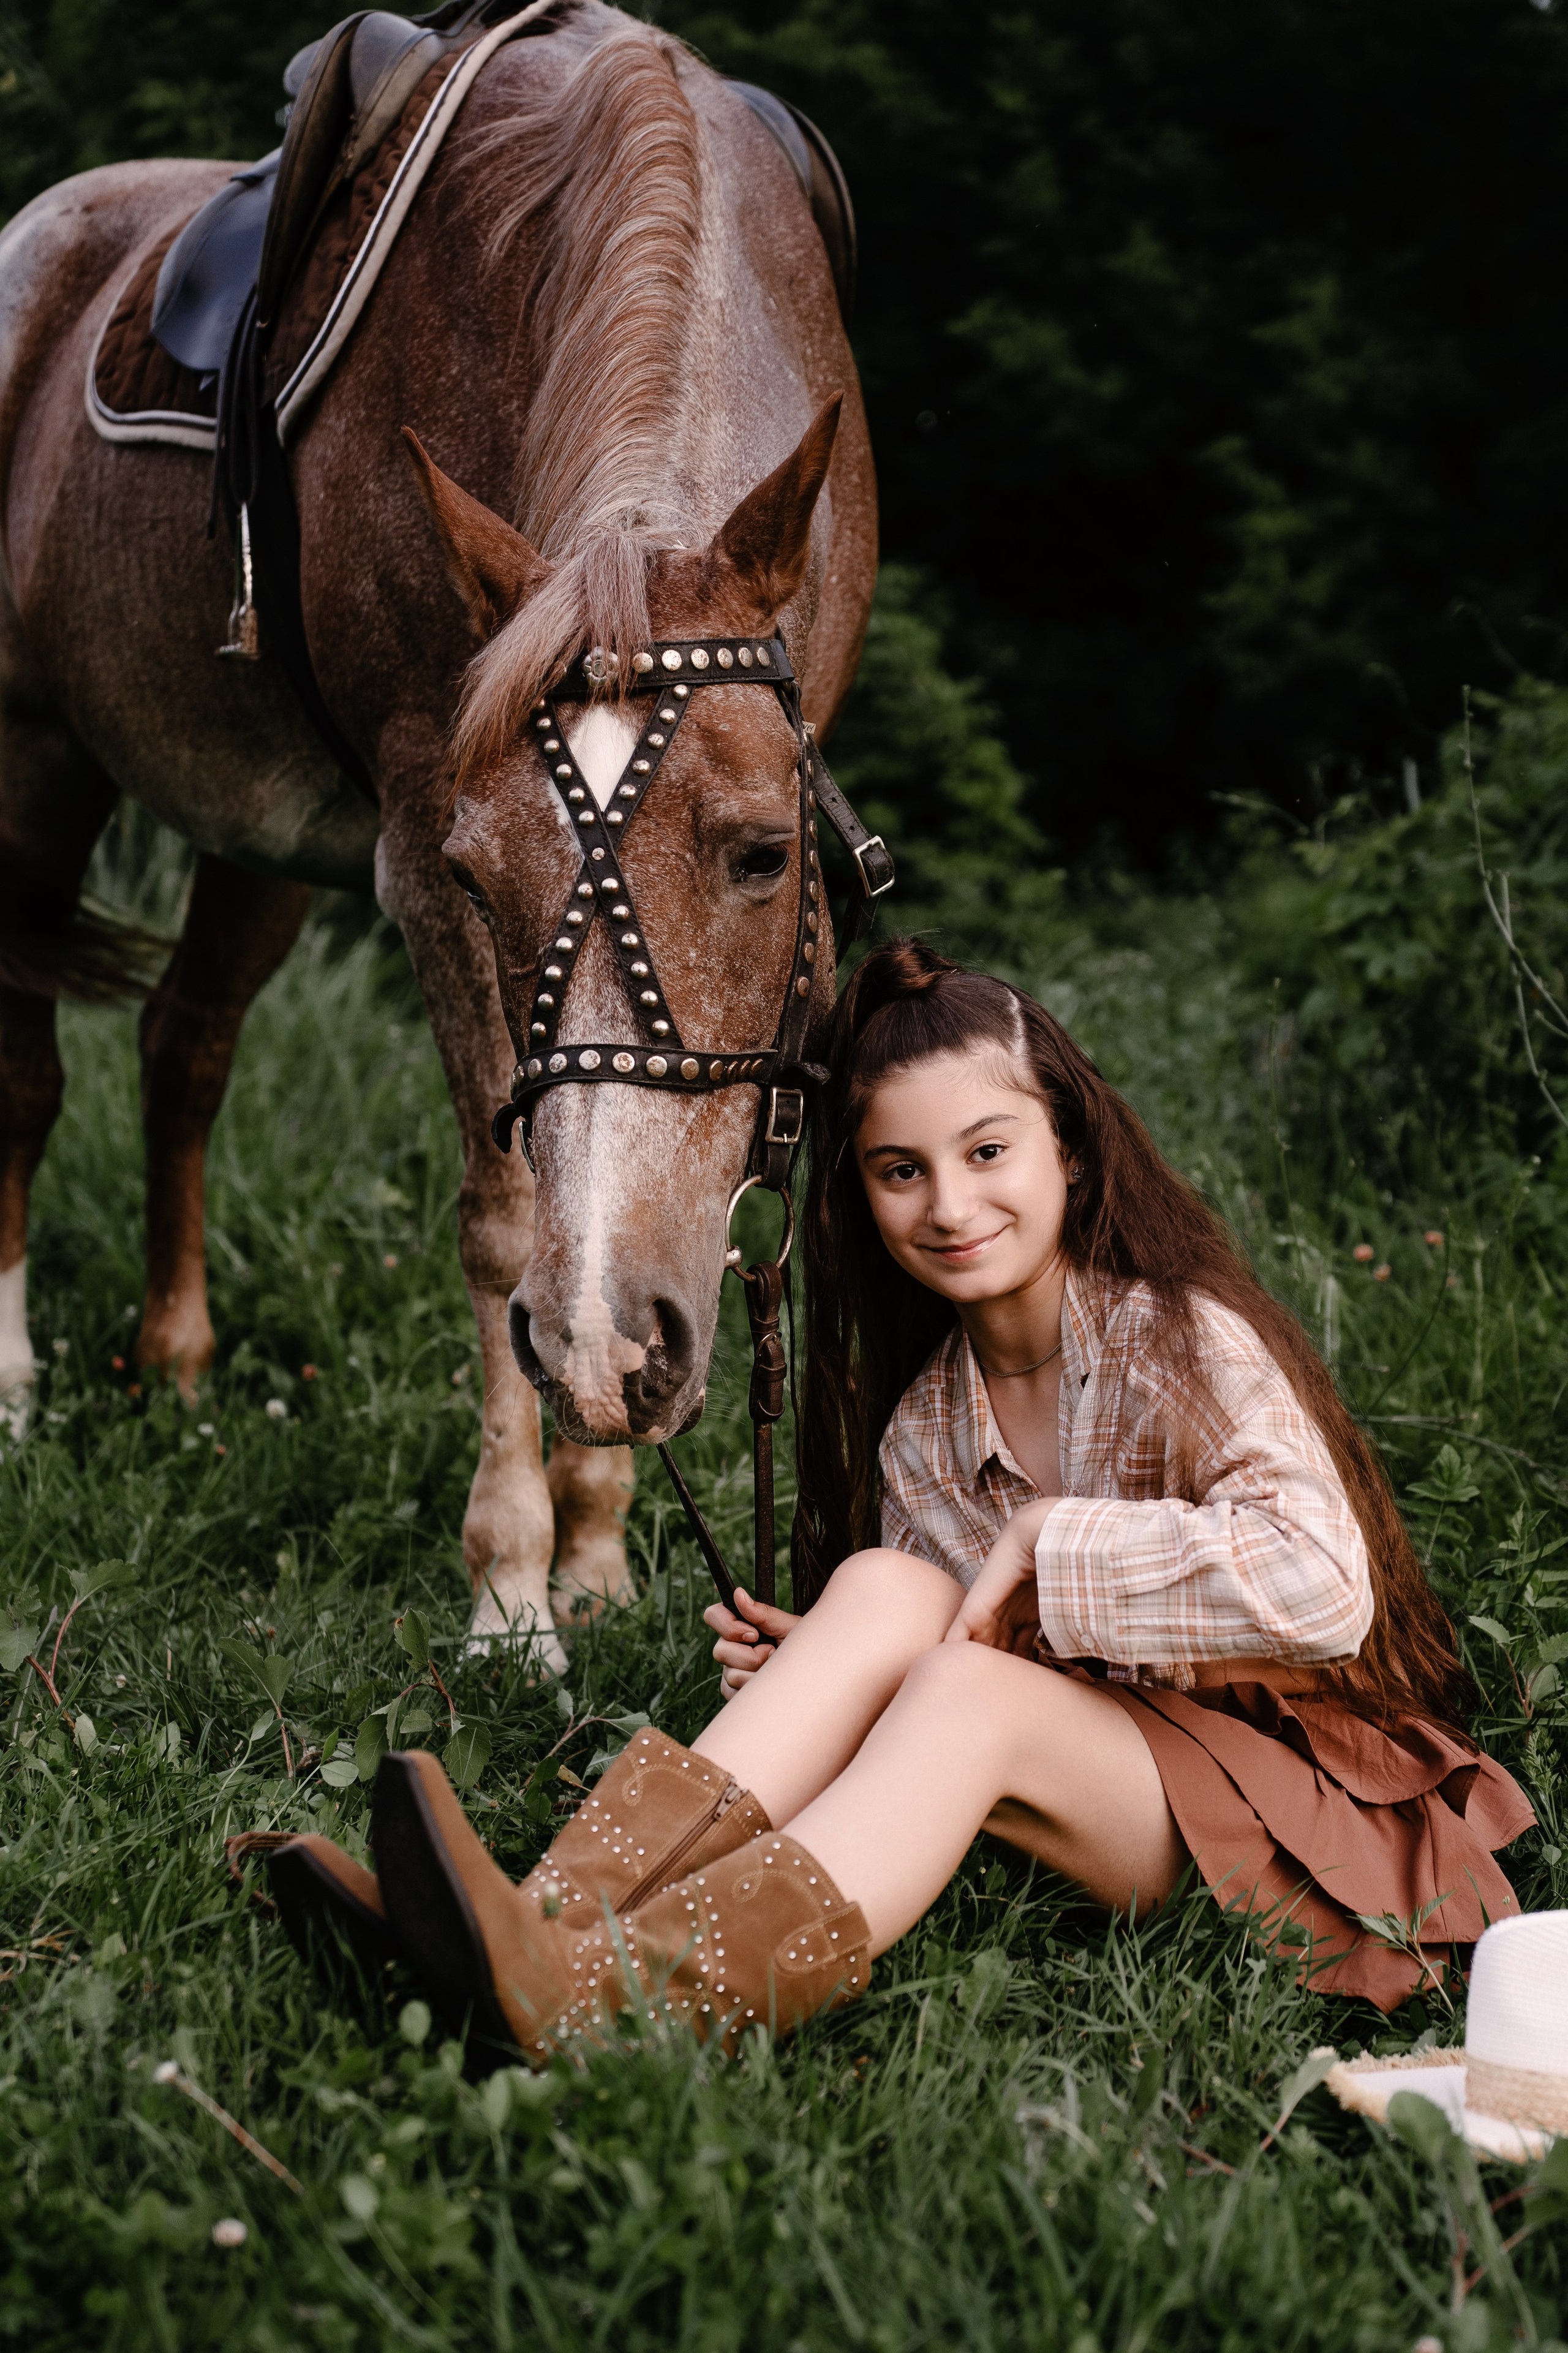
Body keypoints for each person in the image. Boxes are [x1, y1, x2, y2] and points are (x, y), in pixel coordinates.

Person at [268, 940, 1533, 2061]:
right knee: (879, 1591)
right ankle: (527, 1926)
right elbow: (951, 1652)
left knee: (963, 1686)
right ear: (857, 1197)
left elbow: (1324, 1588)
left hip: (1300, 1810)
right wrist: (829, 1672)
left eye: (987, 1151)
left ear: (1070, 1153)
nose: (949, 1203)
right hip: (1105, 1767)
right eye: (898, 1170)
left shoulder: (1175, 1341)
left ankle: (607, 1998)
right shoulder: (928, 1419)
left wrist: (1053, 1542)